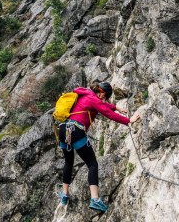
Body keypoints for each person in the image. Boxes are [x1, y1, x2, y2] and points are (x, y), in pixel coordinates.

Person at [58, 81, 140, 212]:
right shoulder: (94, 98)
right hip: (75, 130)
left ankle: (64, 195)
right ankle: (95, 199)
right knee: (92, 164)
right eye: (105, 96)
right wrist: (129, 120)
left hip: (63, 129)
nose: (105, 99)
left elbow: (103, 105)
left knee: (68, 162)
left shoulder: (84, 94)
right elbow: (108, 113)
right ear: (102, 93)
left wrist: (116, 107)